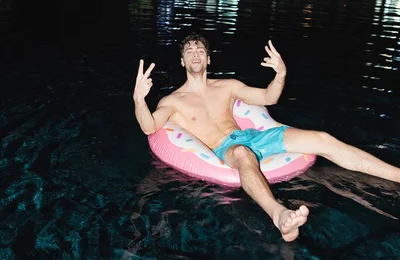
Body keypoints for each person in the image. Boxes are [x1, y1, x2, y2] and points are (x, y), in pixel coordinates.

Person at [133, 33, 399, 242]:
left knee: (323, 138)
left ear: (209, 59)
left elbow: (268, 97)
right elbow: (149, 126)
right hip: (225, 148)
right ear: (182, 61)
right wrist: (138, 100)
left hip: (252, 135)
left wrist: (281, 74)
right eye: (188, 51)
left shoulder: (228, 86)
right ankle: (279, 215)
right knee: (241, 153)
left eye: (200, 50)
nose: (195, 53)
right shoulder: (174, 101)